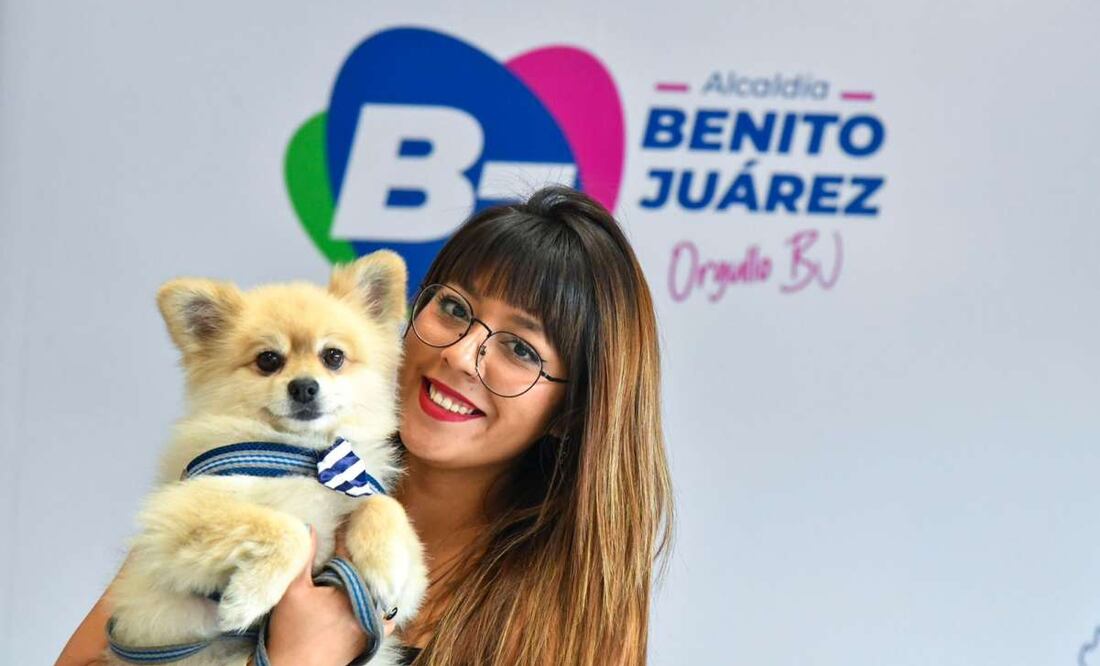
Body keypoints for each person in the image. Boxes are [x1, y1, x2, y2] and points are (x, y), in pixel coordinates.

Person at [56, 185, 674, 665]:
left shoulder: (574, 614)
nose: (461, 354)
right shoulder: (249, 485)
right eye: (454, 308)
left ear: (570, 413)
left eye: (521, 349)